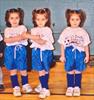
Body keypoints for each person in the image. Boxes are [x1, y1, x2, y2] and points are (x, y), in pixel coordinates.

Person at [4, 8, 38, 96]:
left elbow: (25, 37)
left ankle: (25, 84)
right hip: (10, 51)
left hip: (21, 50)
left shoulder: (22, 27)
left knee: (23, 68)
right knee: (13, 70)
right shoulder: (7, 30)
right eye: (12, 18)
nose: (14, 20)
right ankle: (15, 86)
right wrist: (19, 38)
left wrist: (17, 38)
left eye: (16, 18)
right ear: (8, 19)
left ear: (20, 18)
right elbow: (6, 40)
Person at [58, 9, 91, 96]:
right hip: (69, 53)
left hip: (80, 54)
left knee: (78, 70)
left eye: (77, 19)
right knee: (70, 70)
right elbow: (62, 44)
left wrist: (87, 55)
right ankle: (70, 87)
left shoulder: (83, 32)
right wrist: (62, 55)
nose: (75, 22)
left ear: (81, 20)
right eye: (72, 19)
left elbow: (86, 45)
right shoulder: (66, 31)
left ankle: (77, 87)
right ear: (68, 20)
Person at [28, 8, 54, 98]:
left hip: (45, 52)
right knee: (40, 71)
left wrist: (28, 35)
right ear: (34, 20)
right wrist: (30, 35)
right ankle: (43, 86)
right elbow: (32, 41)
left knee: (45, 70)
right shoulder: (33, 30)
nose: (40, 21)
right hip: (36, 52)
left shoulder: (47, 30)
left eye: (43, 19)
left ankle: (45, 89)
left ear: (46, 20)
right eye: (38, 19)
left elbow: (42, 42)